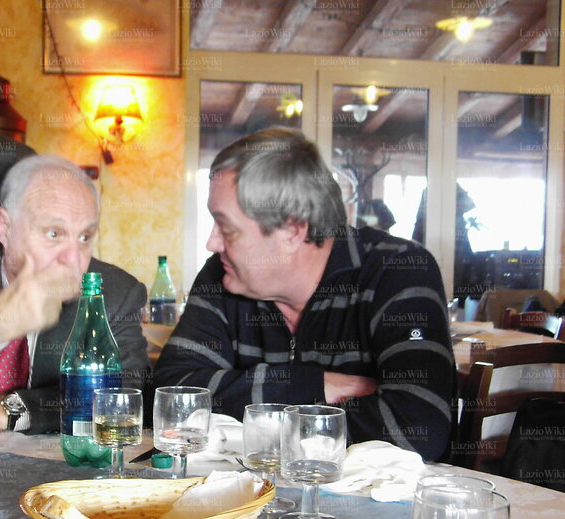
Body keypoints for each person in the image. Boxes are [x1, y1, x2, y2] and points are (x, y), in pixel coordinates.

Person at [154, 128, 455, 461]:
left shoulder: (397, 269)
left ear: (292, 230)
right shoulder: (222, 276)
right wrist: (312, 386)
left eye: (226, 228)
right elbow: (171, 398)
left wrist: (251, 418)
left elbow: (417, 429)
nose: (212, 243)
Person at [0, 155, 149, 434]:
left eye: (84, 237)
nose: (73, 259)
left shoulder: (115, 293)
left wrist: (10, 409)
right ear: (5, 227)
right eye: (54, 233)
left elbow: (121, 396)